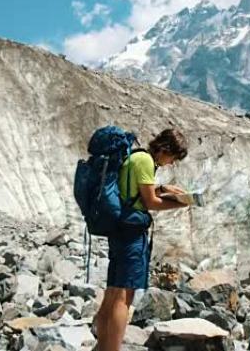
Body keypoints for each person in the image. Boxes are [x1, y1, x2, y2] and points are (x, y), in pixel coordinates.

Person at [94, 128, 189, 351]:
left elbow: (133, 191)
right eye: (173, 157)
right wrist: (182, 202)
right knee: (124, 298)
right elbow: (150, 202)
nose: (172, 162)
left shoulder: (135, 156)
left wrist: (163, 188)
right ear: (165, 149)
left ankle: (102, 346)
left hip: (119, 228)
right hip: (132, 233)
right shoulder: (146, 162)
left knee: (112, 292)